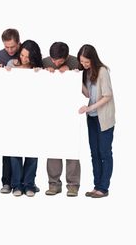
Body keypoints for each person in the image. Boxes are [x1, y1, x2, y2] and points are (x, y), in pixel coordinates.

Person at [43, 42, 81, 197]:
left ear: (66, 57)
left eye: (58, 61)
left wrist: (72, 72)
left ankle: (73, 185)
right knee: (53, 148)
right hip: (50, 112)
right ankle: (53, 184)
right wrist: (44, 71)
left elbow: (84, 82)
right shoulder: (45, 61)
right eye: (53, 59)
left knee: (71, 149)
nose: (55, 63)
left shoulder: (75, 62)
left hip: (71, 111)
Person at [77, 44, 115, 198]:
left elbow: (108, 96)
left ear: (93, 59)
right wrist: (77, 81)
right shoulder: (86, 72)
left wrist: (90, 107)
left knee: (104, 152)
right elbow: (87, 94)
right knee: (94, 153)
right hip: (91, 118)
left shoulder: (103, 71)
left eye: (87, 62)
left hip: (103, 118)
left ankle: (103, 188)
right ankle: (96, 186)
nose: (85, 65)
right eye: (82, 62)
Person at [7, 40, 43, 197]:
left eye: (28, 57)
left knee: (32, 151)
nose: (23, 59)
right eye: (22, 55)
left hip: (34, 116)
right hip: (14, 115)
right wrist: (4, 71)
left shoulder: (38, 70)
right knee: (14, 151)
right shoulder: (12, 64)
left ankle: (29, 184)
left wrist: (44, 72)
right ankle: (16, 185)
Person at [0, 28, 21, 194]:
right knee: (7, 147)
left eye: (12, 47)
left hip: (26, 107)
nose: (9, 50)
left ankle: (23, 183)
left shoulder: (25, 52)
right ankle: (7, 182)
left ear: (18, 42)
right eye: (7, 47)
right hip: (6, 108)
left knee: (26, 147)